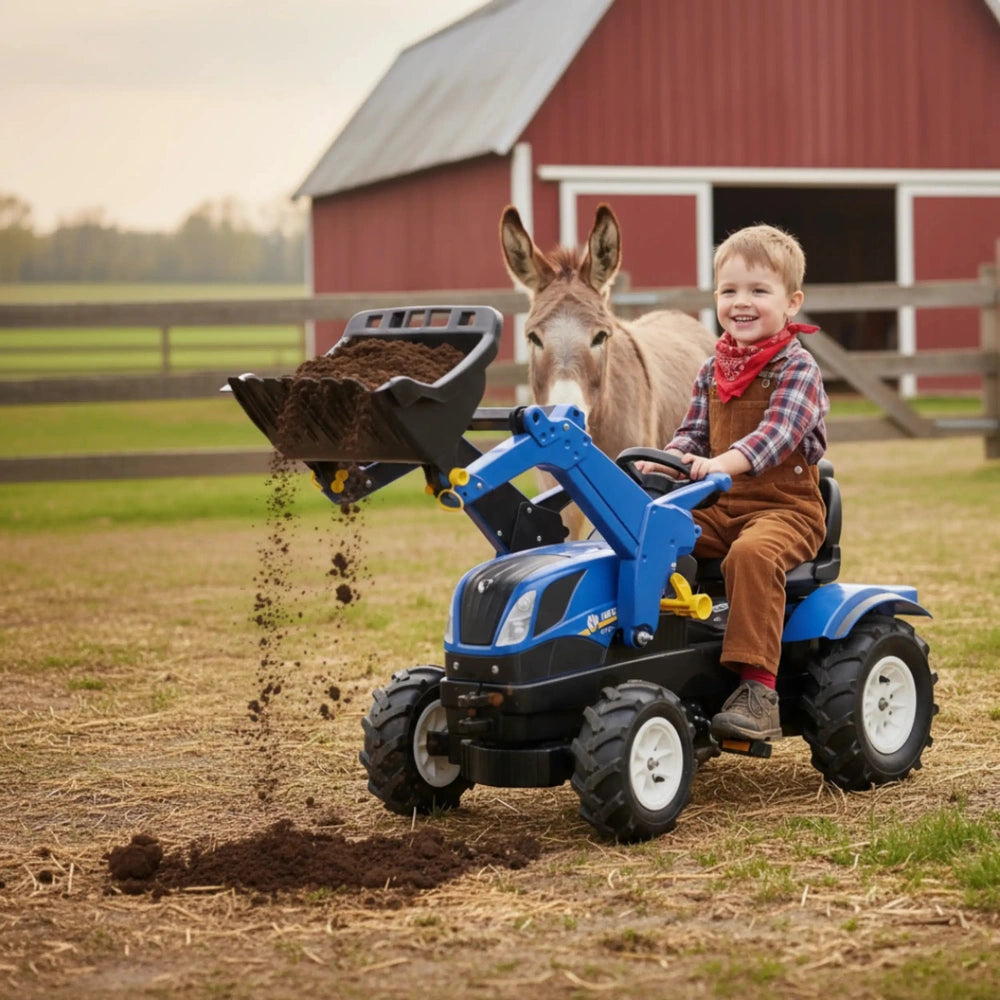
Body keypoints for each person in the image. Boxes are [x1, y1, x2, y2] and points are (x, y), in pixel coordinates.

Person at [637, 223, 829, 742]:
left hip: (784, 510)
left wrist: (726, 461)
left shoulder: (798, 370)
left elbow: (776, 433)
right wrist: (666, 460)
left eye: (758, 291)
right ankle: (656, 650)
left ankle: (758, 689)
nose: (741, 302)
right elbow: (692, 434)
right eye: (730, 291)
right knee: (653, 534)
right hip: (720, 505)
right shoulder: (711, 370)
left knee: (752, 556)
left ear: (792, 303)